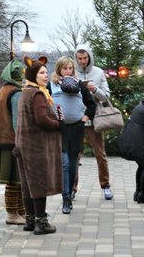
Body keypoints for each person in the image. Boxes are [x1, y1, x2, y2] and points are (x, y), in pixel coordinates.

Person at [13, 56, 62, 235]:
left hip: (23, 144)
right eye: (42, 73)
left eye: (46, 72)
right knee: (39, 182)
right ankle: (42, 223)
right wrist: (58, 124)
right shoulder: (37, 94)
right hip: (36, 145)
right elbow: (41, 119)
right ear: (34, 75)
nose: (46, 75)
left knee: (28, 183)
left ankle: (30, 220)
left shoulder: (25, 92)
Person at [48, 56, 96, 214]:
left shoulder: (79, 84)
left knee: (73, 163)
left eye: (70, 68)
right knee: (65, 163)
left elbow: (91, 104)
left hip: (76, 128)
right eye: (65, 68)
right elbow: (46, 105)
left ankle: (71, 190)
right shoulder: (52, 85)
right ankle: (65, 198)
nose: (68, 71)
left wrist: (84, 119)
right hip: (60, 128)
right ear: (59, 70)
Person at [74, 44, 114, 200]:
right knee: (75, 155)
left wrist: (95, 90)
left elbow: (106, 96)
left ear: (89, 57)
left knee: (100, 154)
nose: (83, 61)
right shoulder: (72, 71)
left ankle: (106, 186)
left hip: (95, 117)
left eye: (85, 58)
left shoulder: (98, 72)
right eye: (80, 58)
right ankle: (72, 188)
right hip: (77, 118)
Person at [0, 60, 26, 225]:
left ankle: (21, 211)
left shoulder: (3, 90)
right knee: (15, 179)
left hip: (2, 140)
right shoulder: (15, 93)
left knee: (18, 179)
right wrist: (21, 141)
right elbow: (17, 121)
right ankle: (12, 213)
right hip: (12, 141)